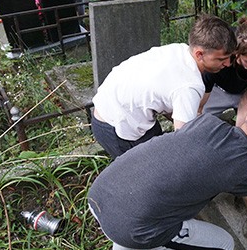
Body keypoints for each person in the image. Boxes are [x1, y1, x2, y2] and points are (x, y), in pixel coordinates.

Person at [88, 96, 247, 250]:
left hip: (101, 195)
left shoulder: (206, 121)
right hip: (133, 229)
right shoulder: (244, 166)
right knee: (221, 249)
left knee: (135, 209)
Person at [91, 16, 236, 159]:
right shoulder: (189, 85)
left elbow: (174, 108)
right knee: (150, 174)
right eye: (221, 59)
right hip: (117, 127)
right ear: (199, 54)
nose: (228, 64)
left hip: (110, 108)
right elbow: (184, 142)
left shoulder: (179, 50)